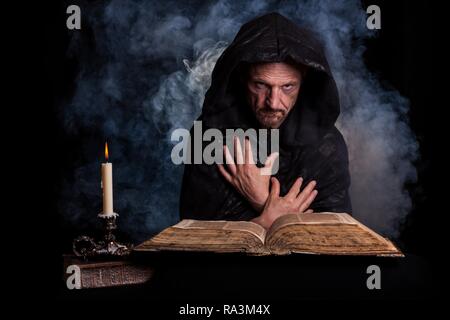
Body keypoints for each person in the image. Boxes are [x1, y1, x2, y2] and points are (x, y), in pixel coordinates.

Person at [179, 12, 351, 229]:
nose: (273, 103)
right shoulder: (207, 135)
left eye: (287, 87)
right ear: (242, 77)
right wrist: (263, 221)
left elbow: (337, 240)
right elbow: (193, 240)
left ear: (304, 78)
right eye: (260, 85)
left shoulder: (328, 144)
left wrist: (262, 199)